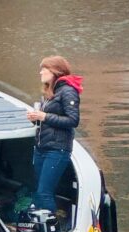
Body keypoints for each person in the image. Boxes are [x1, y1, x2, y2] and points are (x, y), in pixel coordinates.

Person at [26, 56, 83, 214]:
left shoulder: (68, 91)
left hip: (57, 149)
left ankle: (51, 231)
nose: (40, 72)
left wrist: (44, 116)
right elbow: (50, 121)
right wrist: (35, 119)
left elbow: (73, 120)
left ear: (54, 71)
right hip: (42, 147)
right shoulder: (52, 92)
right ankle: (39, 228)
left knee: (44, 193)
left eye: (44, 69)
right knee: (38, 192)